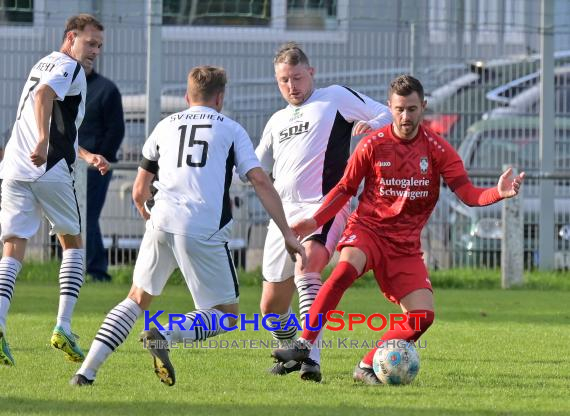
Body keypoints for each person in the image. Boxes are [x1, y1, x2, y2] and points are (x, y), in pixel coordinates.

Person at [271, 74, 525, 384]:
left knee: (422, 317)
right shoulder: (373, 144)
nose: (406, 117)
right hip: (368, 229)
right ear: (390, 107)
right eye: (400, 109)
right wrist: (314, 221)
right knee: (342, 272)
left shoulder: (437, 149)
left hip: (405, 245)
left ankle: (367, 366)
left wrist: (498, 192)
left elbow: (468, 194)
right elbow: (344, 189)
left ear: (424, 108)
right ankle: (304, 344)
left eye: (413, 109)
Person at [69, 66, 306, 386]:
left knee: (136, 299)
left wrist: (143, 208)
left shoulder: (165, 125)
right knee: (226, 314)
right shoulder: (231, 129)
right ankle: (164, 334)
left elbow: (140, 189)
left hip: (161, 222)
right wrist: (288, 233)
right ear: (220, 97)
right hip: (202, 228)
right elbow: (260, 180)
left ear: (186, 96)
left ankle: (86, 372)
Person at [255, 42, 392, 382]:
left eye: (298, 78)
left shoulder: (335, 97)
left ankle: (309, 357)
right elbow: (255, 165)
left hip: (326, 203)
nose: (292, 86)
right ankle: (290, 352)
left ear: (311, 73)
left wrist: (371, 126)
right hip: (283, 215)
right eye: (284, 80)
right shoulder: (276, 120)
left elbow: (385, 114)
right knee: (271, 308)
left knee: (308, 264)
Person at [0, 14, 109, 367]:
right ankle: (63, 326)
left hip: (15, 166)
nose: (94, 51)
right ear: (70, 38)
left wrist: (86, 153)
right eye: (90, 43)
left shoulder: (43, 61)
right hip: (48, 168)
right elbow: (45, 97)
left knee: (13, 246)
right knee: (73, 243)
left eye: (99, 46)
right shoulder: (69, 67)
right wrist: (46, 142)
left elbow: (52, 116)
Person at [78, 55, 125, 282]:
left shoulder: (106, 90)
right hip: (66, 163)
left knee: (87, 216)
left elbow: (116, 130)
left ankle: (96, 270)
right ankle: (79, 267)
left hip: (95, 168)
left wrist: (100, 160)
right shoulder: (63, 87)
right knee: (73, 218)